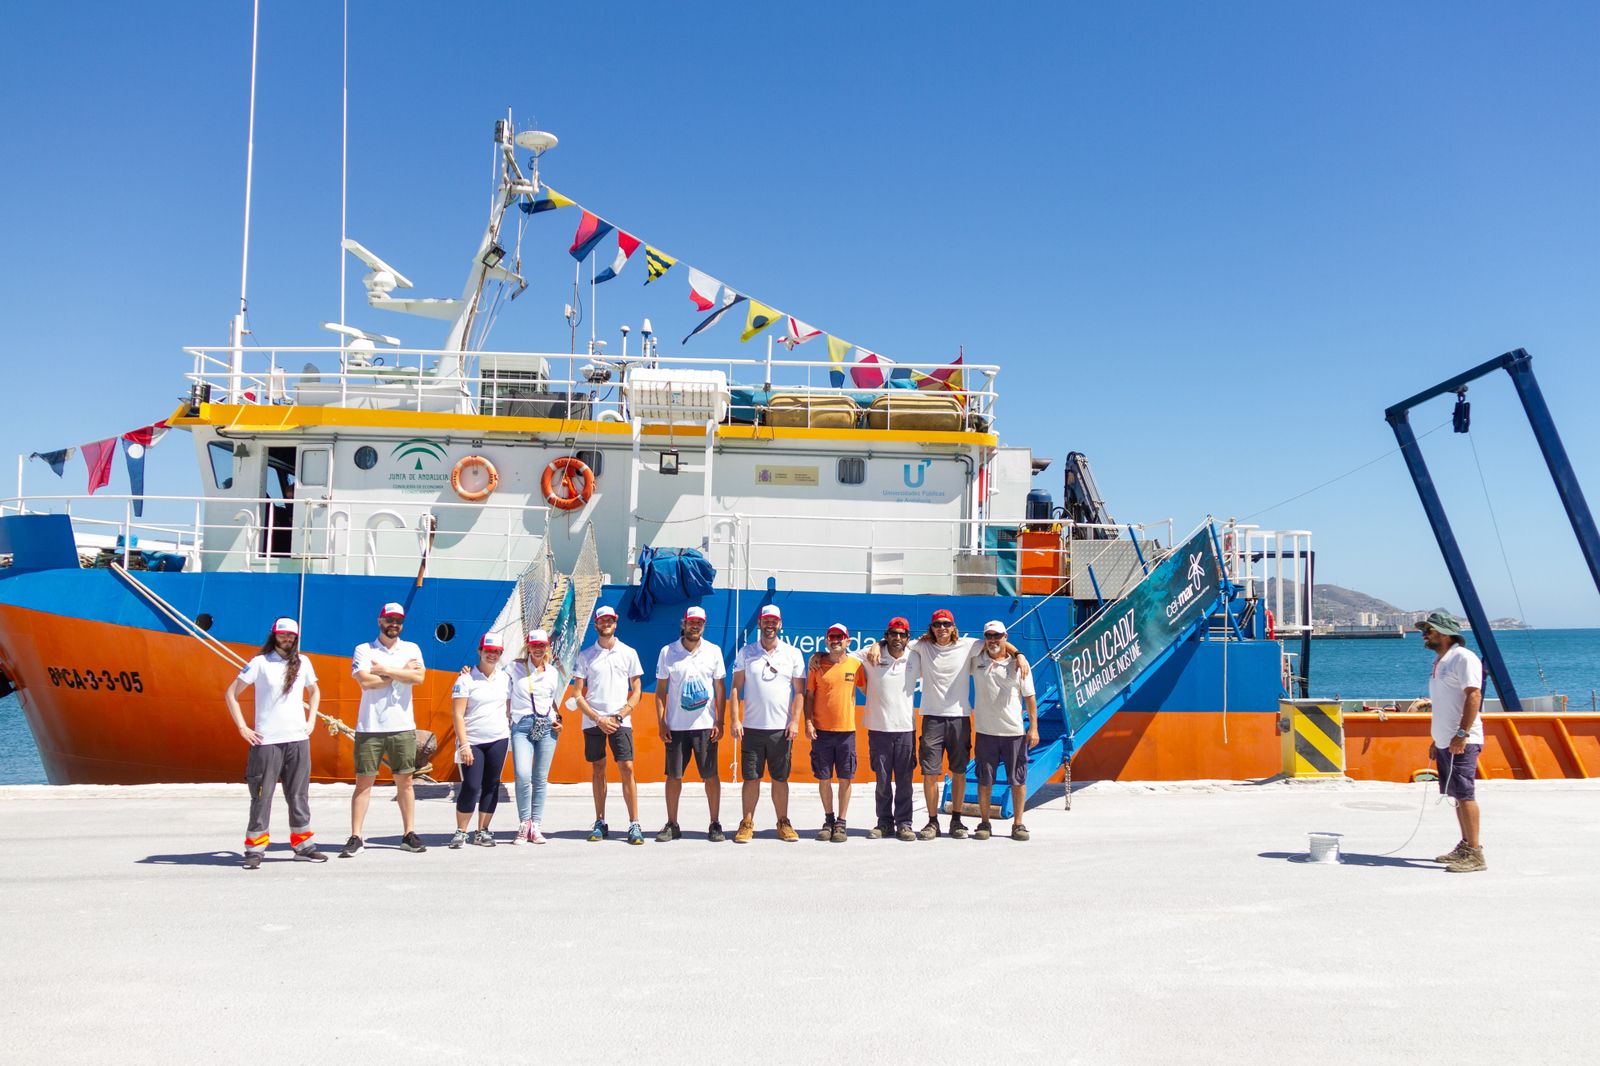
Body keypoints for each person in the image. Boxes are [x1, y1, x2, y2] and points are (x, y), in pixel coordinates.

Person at [224, 617, 325, 869]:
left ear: (296, 637)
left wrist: (311, 720)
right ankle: (255, 849)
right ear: (274, 635)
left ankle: (303, 845)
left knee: (299, 795)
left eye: (291, 635)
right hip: (267, 742)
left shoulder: (304, 663)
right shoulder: (260, 663)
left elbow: (314, 691)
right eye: (283, 635)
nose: (287, 639)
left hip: (298, 740)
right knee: (261, 795)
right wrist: (242, 727)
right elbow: (231, 693)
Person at [342, 602, 428, 857]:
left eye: (398, 621)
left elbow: (420, 678)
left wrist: (385, 670)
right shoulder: (364, 649)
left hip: (402, 726)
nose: (394, 624)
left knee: (406, 782)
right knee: (363, 782)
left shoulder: (411, 648)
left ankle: (408, 833)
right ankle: (356, 836)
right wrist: (402, 673)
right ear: (380, 621)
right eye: (389, 620)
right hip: (370, 726)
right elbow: (366, 682)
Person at [1414, 611, 1487, 873]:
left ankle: (1476, 854)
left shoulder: (1462, 658)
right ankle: (1467, 845)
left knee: (1465, 795)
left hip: (1463, 741)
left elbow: (1473, 695)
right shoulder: (1441, 660)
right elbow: (1446, 704)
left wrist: (1462, 733)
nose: (1425, 634)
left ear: (1445, 633)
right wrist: (1438, 740)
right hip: (1447, 741)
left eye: (1429, 630)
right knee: (1456, 795)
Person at [730, 604, 804, 843]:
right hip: (751, 729)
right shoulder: (746, 652)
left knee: (780, 778)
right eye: (766, 621)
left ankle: (783, 822)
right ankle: (746, 823)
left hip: (780, 730)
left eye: (774, 621)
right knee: (751, 778)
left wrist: (795, 721)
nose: (769, 625)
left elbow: (800, 692)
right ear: (759, 623)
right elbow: (735, 688)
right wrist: (734, 719)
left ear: (779, 624)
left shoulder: (792, 654)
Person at [655, 605, 729, 842]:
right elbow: (660, 691)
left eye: (699, 623)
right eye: (691, 622)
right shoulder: (668, 652)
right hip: (676, 727)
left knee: (711, 776)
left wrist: (720, 720)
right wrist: (662, 722)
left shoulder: (713, 651)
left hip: (706, 726)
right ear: (683, 624)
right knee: (674, 776)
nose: (695, 626)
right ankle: (672, 823)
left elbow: (720, 688)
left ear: (703, 625)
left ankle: (715, 824)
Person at [574, 605, 645, 845]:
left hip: (620, 720)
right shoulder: (585, 656)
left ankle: (634, 823)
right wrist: (598, 718)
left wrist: (619, 716)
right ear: (596, 624)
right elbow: (578, 694)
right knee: (598, 768)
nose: (606, 624)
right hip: (594, 719)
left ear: (616, 623)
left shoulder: (629, 653)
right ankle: (600, 821)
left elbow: (636, 691)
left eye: (610, 620)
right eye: (602, 620)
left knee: (627, 767)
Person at [969, 620, 1039, 841]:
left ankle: (1018, 824)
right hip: (985, 732)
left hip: (1014, 733)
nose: (992, 640)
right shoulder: (976, 661)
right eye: (988, 636)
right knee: (984, 780)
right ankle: (985, 822)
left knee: (1018, 781)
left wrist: (1034, 729)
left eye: (997, 636)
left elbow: (1030, 699)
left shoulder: (1020, 666)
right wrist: (1019, 651)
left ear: (1005, 637)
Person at [448, 633, 512, 849]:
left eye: (496, 652)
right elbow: (457, 714)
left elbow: (510, 708)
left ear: (500, 654)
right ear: (480, 651)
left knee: (491, 785)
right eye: (488, 651)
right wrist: (464, 744)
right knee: (471, 785)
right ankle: (461, 831)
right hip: (473, 740)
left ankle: (482, 831)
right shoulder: (465, 679)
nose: (491, 655)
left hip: (498, 739)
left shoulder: (505, 679)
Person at [860, 616, 919, 842]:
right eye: (893, 634)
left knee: (905, 780)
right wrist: (818, 656)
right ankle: (884, 823)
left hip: (905, 729)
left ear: (907, 638)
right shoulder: (871, 654)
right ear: (886, 636)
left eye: (901, 634)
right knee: (882, 780)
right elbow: (841, 655)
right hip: (878, 728)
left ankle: (904, 823)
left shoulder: (916, 655)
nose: (897, 638)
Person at [805, 622, 864, 843]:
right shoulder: (816, 666)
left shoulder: (856, 666)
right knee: (824, 778)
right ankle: (828, 819)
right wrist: (809, 722)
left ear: (848, 641)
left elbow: (867, 688)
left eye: (840, 637)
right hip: (821, 732)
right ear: (826, 641)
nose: (836, 640)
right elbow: (809, 696)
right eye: (832, 637)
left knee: (845, 778)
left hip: (846, 732)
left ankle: (841, 822)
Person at [507, 628, 564, 844]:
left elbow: (552, 700)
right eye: (534, 645)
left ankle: (536, 825)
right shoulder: (514, 668)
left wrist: (559, 719)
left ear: (547, 647)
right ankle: (524, 823)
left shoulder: (553, 672)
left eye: (542, 645)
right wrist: (468, 672)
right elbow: (492, 677)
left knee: (540, 778)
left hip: (548, 727)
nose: (538, 649)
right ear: (527, 647)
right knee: (522, 774)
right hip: (522, 726)